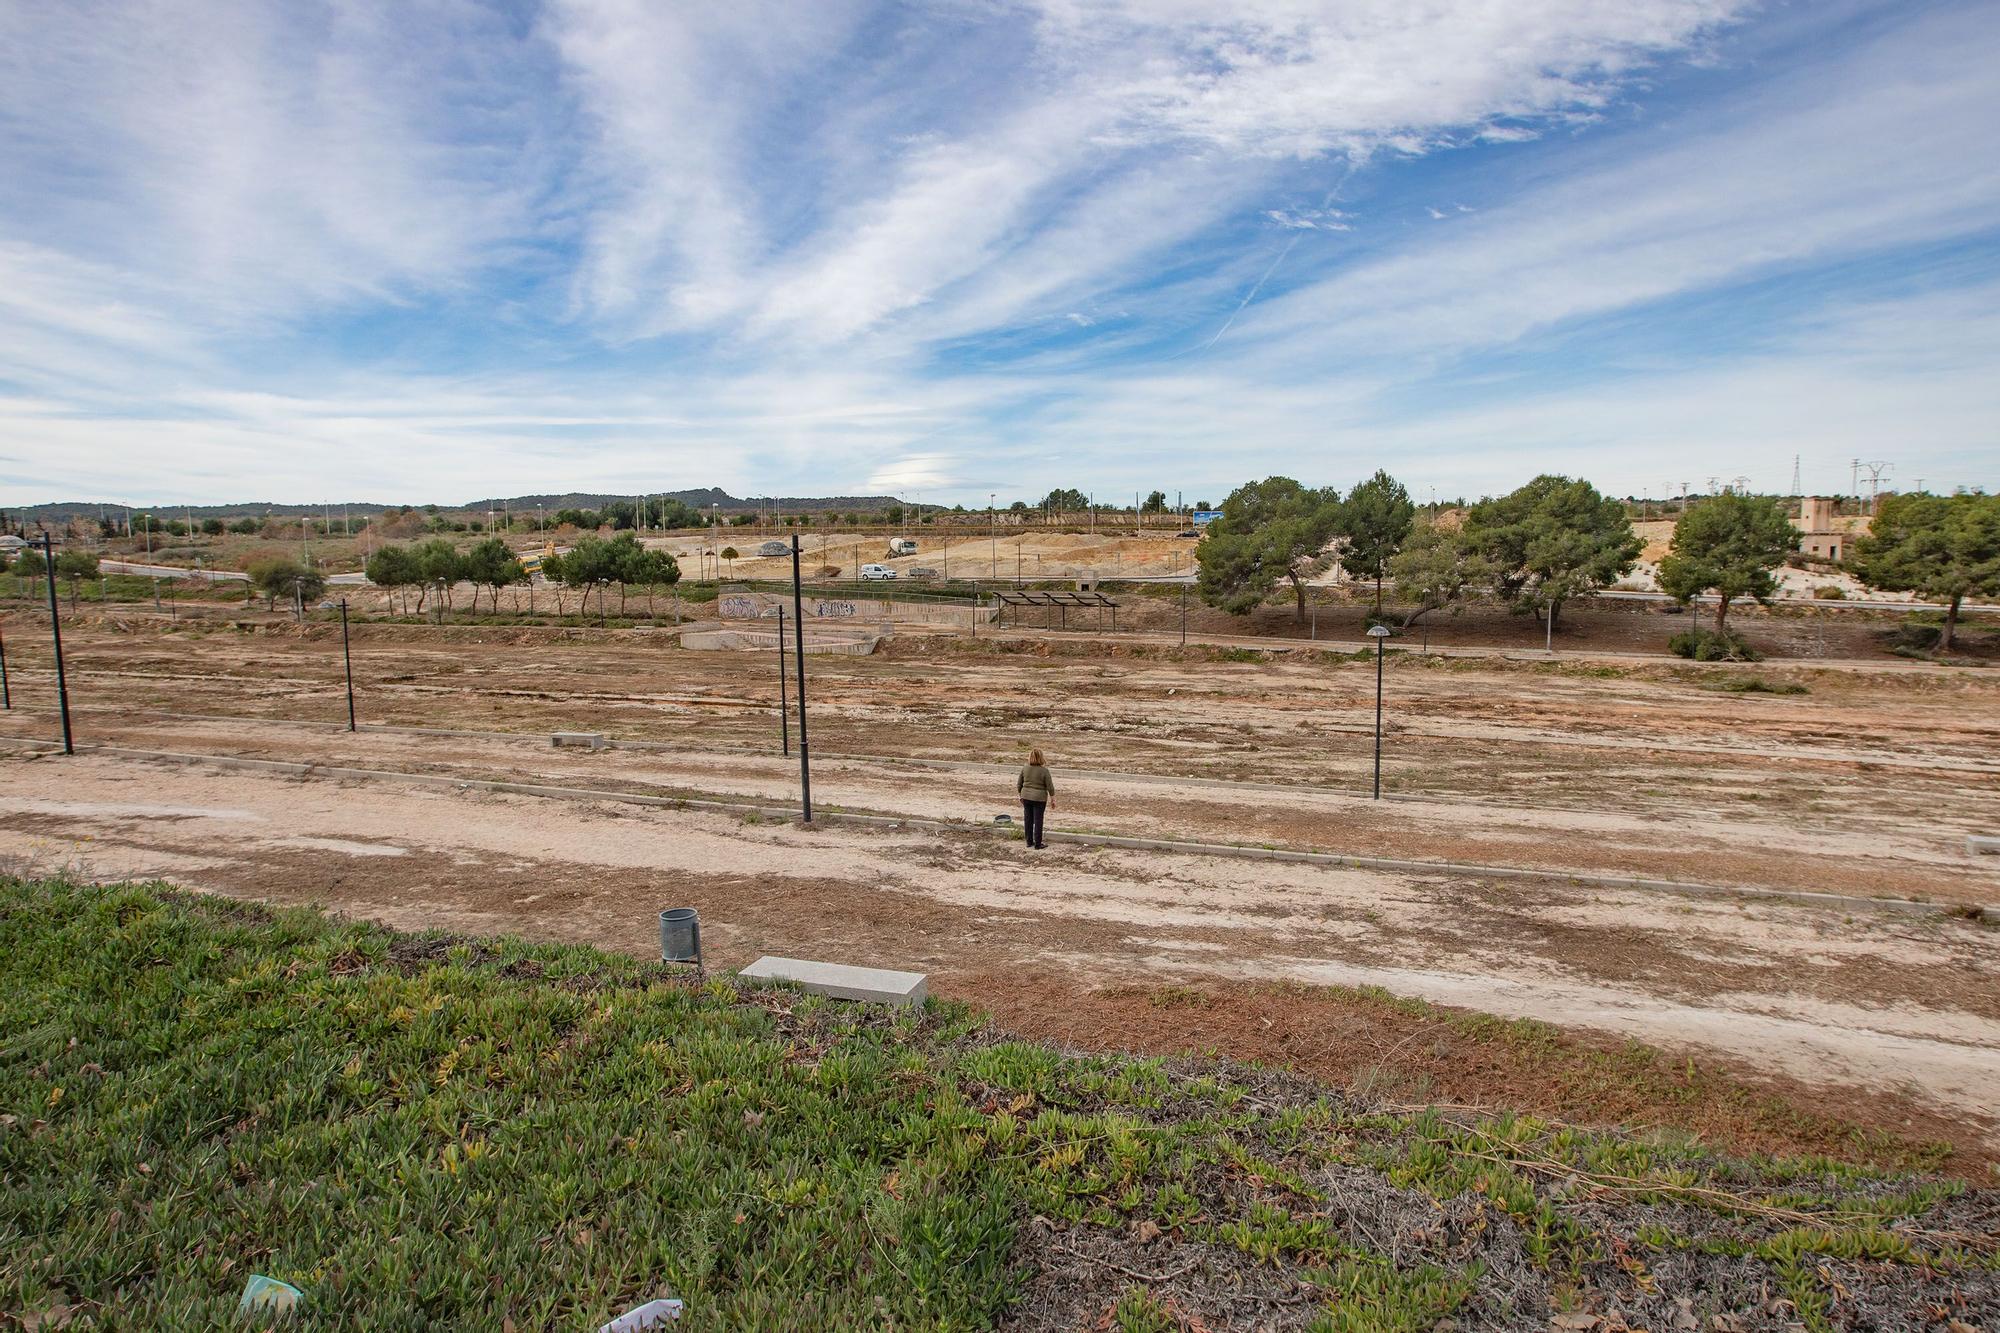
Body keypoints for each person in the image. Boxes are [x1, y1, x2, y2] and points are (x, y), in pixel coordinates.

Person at [1016, 748, 1054, 849]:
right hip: (1039, 799)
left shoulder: (1025, 768)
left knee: (1028, 819)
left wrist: (1020, 795)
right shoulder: (1044, 771)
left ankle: (1029, 842)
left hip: (1026, 797)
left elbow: (1019, 783)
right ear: (1041, 757)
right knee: (1038, 820)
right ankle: (1038, 844)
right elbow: (1050, 786)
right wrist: (1052, 799)